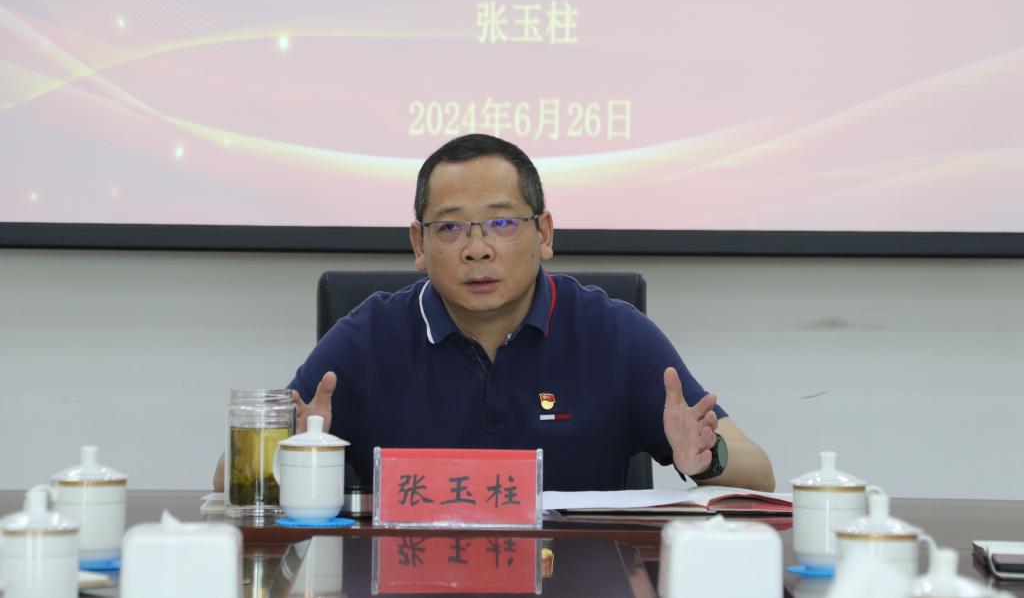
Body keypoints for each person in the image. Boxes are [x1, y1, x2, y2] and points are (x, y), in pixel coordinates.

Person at [214, 134, 774, 492]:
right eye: (450, 227)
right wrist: (286, 455)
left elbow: (760, 470)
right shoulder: (368, 339)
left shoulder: (613, 333)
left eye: (503, 224)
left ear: (544, 233)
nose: (477, 249)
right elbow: (227, 480)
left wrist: (708, 458)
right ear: (418, 244)